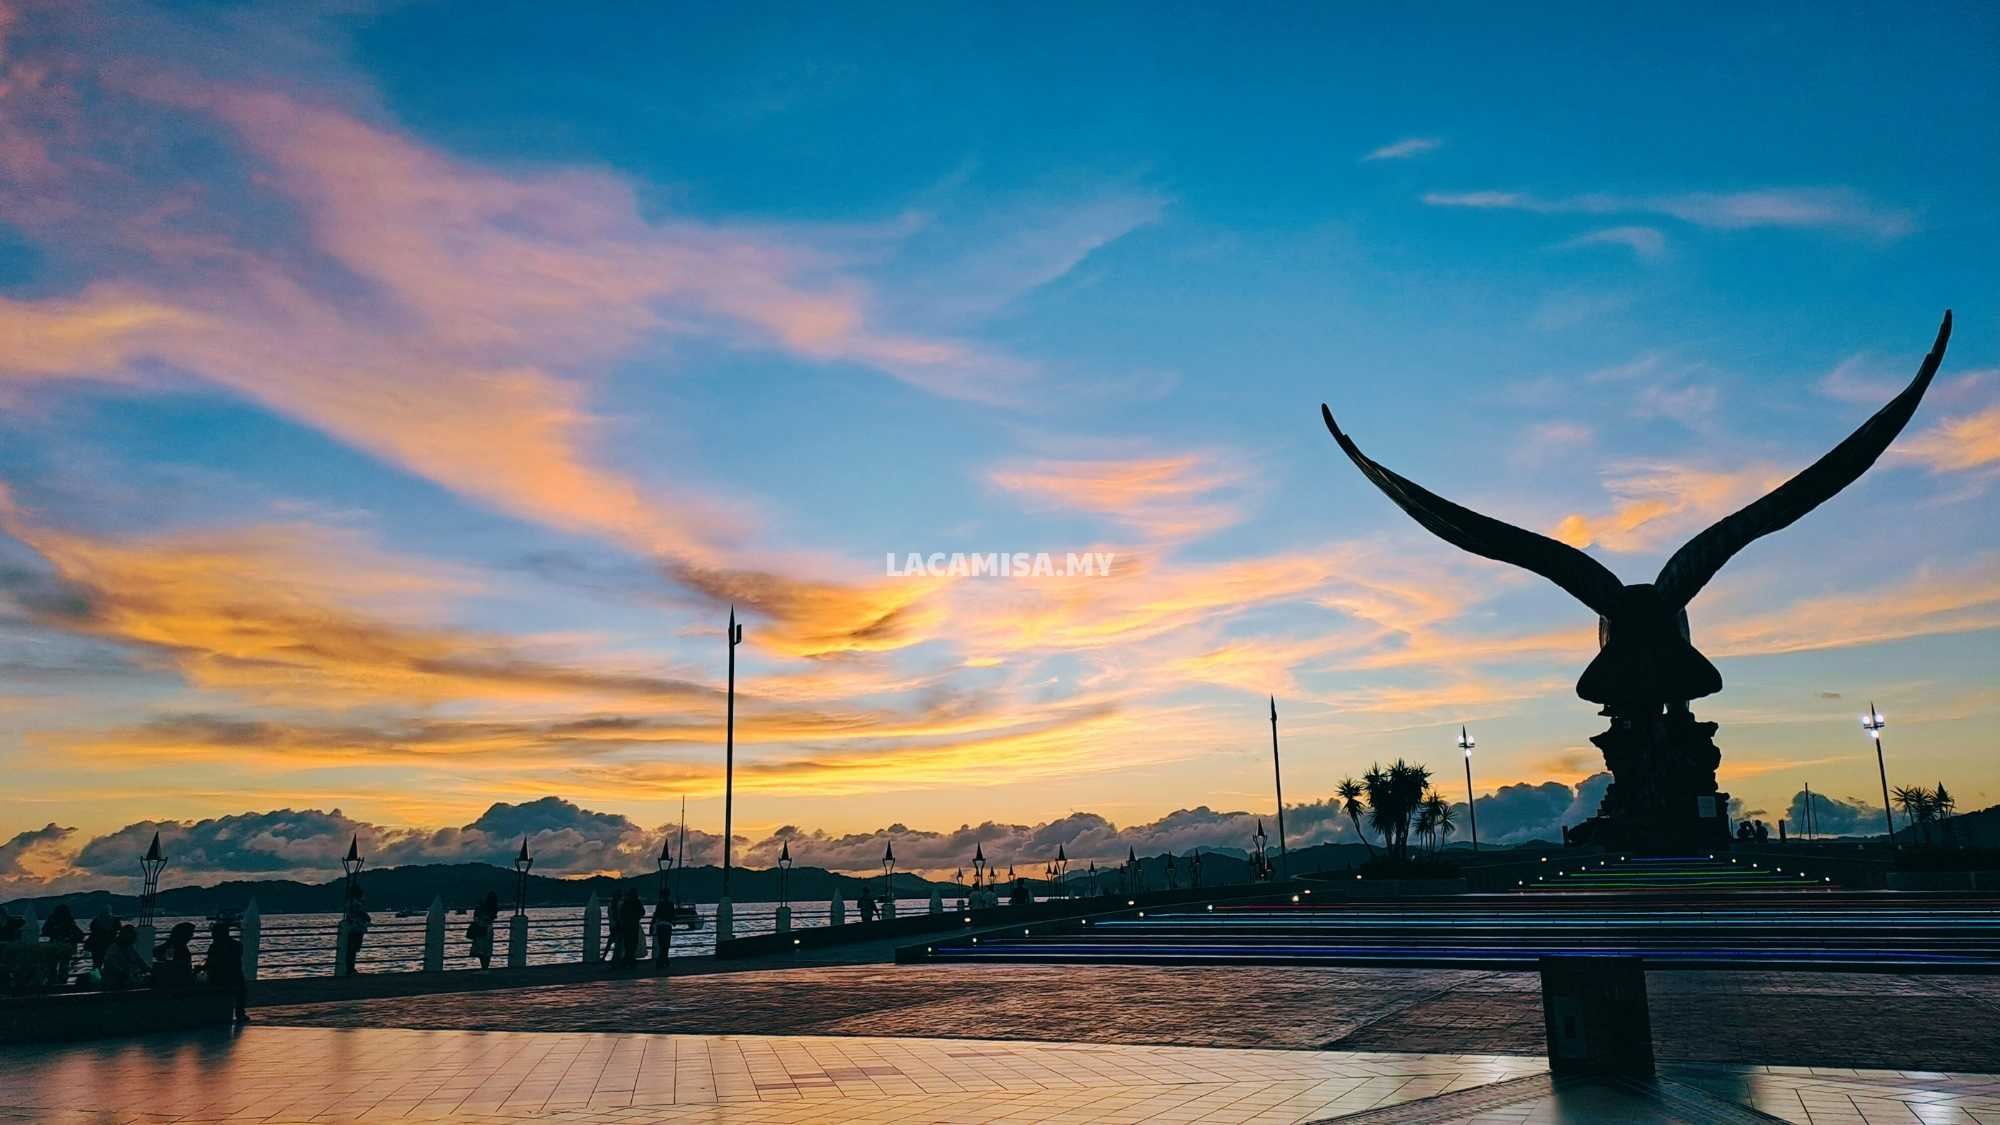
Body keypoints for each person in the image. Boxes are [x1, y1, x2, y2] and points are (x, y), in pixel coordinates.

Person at [201, 919, 249, 1022]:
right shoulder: (237, 945)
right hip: (235, 975)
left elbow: (210, 964)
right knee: (241, 988)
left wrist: (201, 968)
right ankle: (240, 1013)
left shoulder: (214, 947)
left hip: (217, 976)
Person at [101, 925, 149, 989]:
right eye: (131, 935)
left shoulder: (129, 948)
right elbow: (112, 965)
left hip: (128, 979)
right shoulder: (114, 948)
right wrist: (125, 973)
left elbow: (139, 960)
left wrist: (148, 969)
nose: (133, 938)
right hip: (115, 982)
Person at [152, 921, 197, 986]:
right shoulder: (177, 947)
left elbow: (169, 961)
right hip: (180, 980)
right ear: (185, 935)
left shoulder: (173, 946)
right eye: (191, 933)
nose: (192, 936)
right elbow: (171, 963)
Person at [340, 886, 370, 975]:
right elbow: (364, 915)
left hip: (352, 928)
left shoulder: (349, 902)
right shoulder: (356, 903)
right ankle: (351, 969)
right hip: (357, 928)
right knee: (353, 949)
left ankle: (350, 969)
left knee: (351, 949)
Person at [468, 890, 498, 968]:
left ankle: (484, 967)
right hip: (488, 929)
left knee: (481, 949)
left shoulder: (481, 907)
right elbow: (492, 917)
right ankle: (485, 967)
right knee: (487, 950)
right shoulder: (493, 908)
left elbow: (476, 917)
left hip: (480, 928)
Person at [650, 895, 673, 968]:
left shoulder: (659, 904)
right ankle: (664, 960)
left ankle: (661, 961)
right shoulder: (670, 904)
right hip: (667, 925)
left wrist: (651, 925)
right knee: (666, 944)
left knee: (661, 944)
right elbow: (673, 914)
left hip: (660, 925)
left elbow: (655, 914)